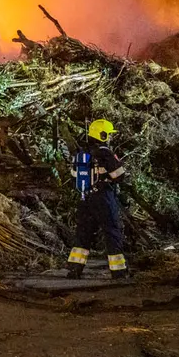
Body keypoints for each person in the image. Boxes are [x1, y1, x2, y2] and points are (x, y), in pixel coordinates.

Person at [66, 119, 130, 279]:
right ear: (102, 135)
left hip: (85, 198)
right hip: (103, 198)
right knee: (112, 231)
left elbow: (74, 177)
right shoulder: (105, 153)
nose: (110, 138)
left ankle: (74, 269)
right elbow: (119, 176)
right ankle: (119, 271)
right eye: (108, 134)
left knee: (83, 233)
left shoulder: (81, 153)